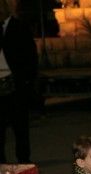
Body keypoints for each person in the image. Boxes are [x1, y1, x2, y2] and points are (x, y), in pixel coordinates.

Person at [0, 1, 37, 163]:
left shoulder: (19, 28)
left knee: (20, 125)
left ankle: (24, 159)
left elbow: (31, 55)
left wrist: (28, 81)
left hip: (15, 82)